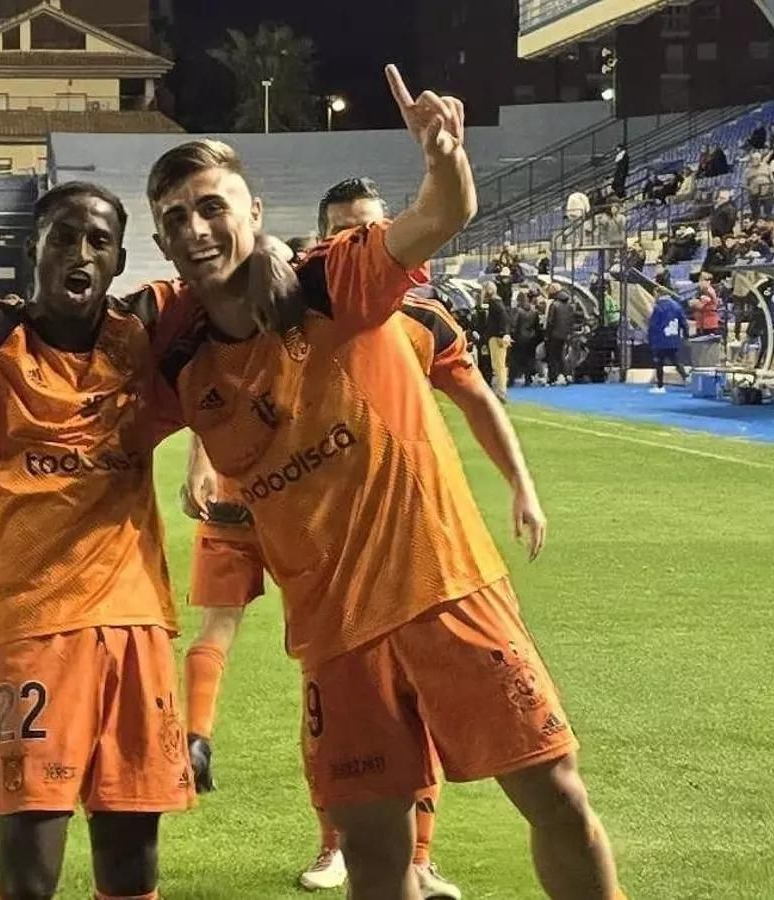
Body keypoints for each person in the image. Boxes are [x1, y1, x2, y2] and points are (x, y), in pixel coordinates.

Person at [147, 65, 623, 899]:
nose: (196, 228)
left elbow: (443, 214)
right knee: (374, 858)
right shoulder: (179, 358)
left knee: (555, 798)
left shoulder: (338, 281)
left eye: (211, 206)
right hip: (336, 640)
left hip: (446, 590)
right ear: (162, 243)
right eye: (176, 218)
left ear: (253, 213)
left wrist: (443, 154)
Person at [0, 80, 287, 900]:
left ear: (118, 257)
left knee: (132, 869)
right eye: (65, 237)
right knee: (28, 876)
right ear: (34, 247)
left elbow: (224, 273)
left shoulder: (145, 333)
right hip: (28, 628)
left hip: (135, 627)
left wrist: (271, 250)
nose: (82, 254)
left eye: (100, 242)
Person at [180, 175, 462, 900]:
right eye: (341, 226)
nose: (351, 238)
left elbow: (472, 396)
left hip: (354, 518)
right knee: (325, 674)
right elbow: (209, 375)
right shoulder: (303, 284)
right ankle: (203, 743)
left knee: (393, 682)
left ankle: (415, 855)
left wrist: (520, 485)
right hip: (266, 502)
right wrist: (201, 459)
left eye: (364, 225)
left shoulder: (408, 312)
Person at [646, 292, 689, 394]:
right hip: (673, 339)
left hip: (660, 340)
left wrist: (650, 340)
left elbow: (653, 326)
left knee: (659, 364)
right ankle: (686, 378)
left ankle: (660, 386)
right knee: (676, 361)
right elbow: (683, 322)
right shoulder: (677, 306)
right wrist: (686, 335)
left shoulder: (658, 308)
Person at [544, 282, 576, 385]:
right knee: (562, 355)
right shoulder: (569, 305)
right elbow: (571, 320)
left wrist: (547, 335)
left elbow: (550, 322)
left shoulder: (554, 304)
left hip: (554, 334)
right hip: (565, 334)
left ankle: (552, 378)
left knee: (552, 357)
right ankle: (567, 375)